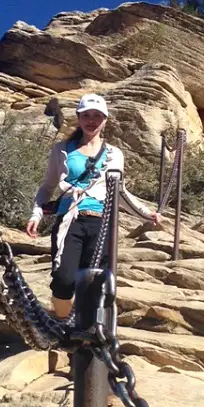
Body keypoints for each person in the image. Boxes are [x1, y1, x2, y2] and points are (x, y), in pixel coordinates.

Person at [26, 94, 161, 318]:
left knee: (94, 282)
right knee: (63, 279)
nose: (91, 120)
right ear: (78, 117)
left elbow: (120, 191)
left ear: (105, 120)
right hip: (70, 219)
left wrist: (147, 214)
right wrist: (36, 215)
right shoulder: (62, 150)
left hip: (101, 221)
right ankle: (61, 325)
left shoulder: (114, 154)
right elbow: (47, 187)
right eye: (86, 115)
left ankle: (87, 339)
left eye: (97, 116)